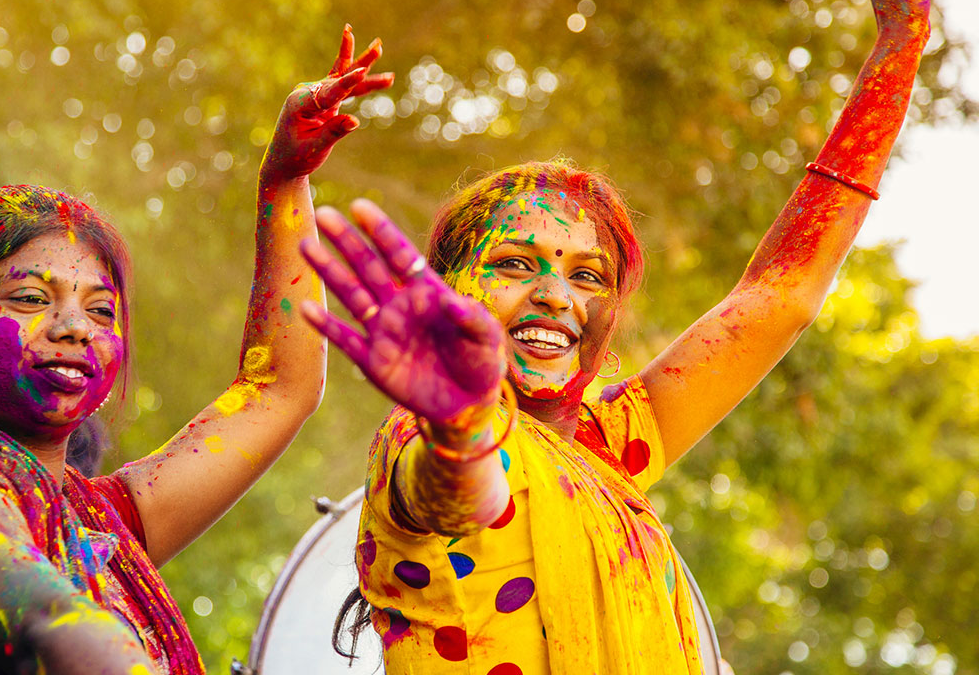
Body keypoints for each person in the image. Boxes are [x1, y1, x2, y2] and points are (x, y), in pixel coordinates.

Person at [303, 2, 931, 673]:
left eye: (588, 274)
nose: (555, 295)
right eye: (515, 263)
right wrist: (459, 424)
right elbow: (464, 488)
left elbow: (779, 296)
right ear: (444, 291)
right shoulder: (424, 435)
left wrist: (902, 43)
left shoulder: (612, 449)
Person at [0, 27, 391, 674]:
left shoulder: (109, 520)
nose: (74, 327)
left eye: (100, 309)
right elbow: (37, 609)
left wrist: (285, 181)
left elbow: (279, 388)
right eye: (31, 298)